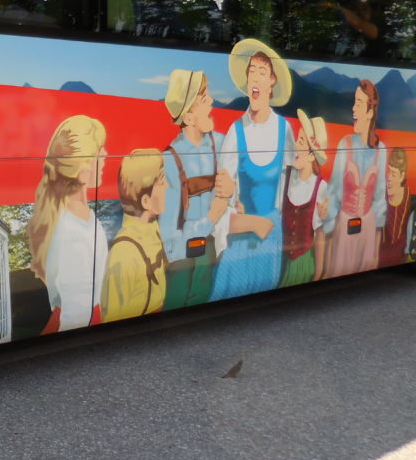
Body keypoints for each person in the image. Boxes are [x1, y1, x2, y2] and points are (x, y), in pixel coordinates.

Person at [211, 38, 293, 302]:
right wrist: (235, 203)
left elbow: (288, 187)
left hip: (272, 235)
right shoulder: (235, 132)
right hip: (242, 239)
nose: (255, 78)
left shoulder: (284, 129)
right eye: (251, 71)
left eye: (262, 71)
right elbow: (221, 195)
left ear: (272, 81)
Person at [158, 69, 234, 310]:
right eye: (203, 98)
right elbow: (170, 236)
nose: (212, 101)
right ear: (189, 118)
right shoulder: (171, 159)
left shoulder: (222, 143)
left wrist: (233, 189)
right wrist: (211, 217)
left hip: (213, 251)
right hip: (183, 261)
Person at [27, 115, 108, 333]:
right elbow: (75, 313)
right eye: (99, 151)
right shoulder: (71, 232)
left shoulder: (83, 218)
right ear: (83, 174)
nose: (106, 154)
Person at [322, 79, 387, 277]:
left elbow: (379, 199)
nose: (353, 109)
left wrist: (376, 251)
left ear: (370, 112)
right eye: (354, 102)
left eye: (358, 103)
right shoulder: (345, 144)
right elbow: (333, 193)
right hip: (344, 228)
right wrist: (328, 231)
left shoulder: (381, 150)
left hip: (367, 229)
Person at [103, 149, 168, 322]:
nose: (168, 187)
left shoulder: (153, 230)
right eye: (163, 183)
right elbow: (113, 318)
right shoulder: (124, 252)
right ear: (146, 201)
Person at [280, 110, 330, 287]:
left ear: (311, 155)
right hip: (282, 259)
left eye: (301, 141)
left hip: (303, 261)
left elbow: (320, 233)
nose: (295, 145)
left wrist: (319, 271)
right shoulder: (286, 177)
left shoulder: (320, 186)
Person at [378, 148, 412, 268]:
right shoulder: (381, 194)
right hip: (381, 254)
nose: (389, 177)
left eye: (393, 174)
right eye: (388, 171)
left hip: (399, 254)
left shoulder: (407, 195)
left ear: (402, 176)